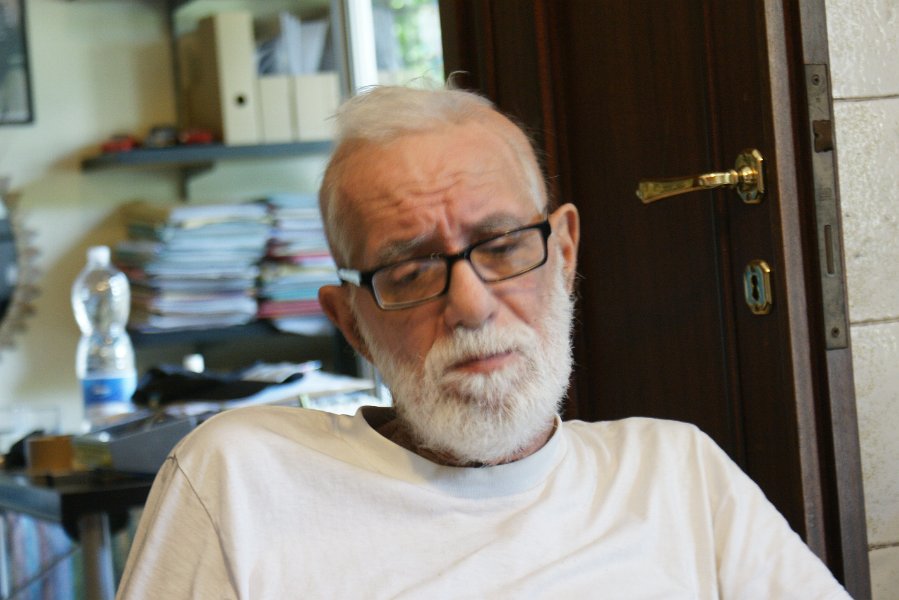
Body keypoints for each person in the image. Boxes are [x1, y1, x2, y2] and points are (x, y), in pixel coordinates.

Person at [116, 83, 851, 599]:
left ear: (563, 252)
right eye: (410, 271)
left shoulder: (679, 474)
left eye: (501, 247)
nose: (470, 306)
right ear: (352, 323)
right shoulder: (242, 480)